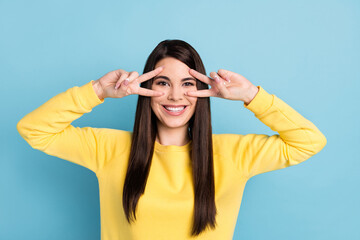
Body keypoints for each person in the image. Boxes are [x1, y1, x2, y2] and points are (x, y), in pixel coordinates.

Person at [16, 39, 327, 240]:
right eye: (163, 83)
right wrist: (96, 90)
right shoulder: (109, 149)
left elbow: (309, 141)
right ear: (146, 90)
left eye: (188, 84)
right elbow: (34, 129)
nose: (176, 95)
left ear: (203, 91)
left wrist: (251, 95)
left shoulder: (233, 155)